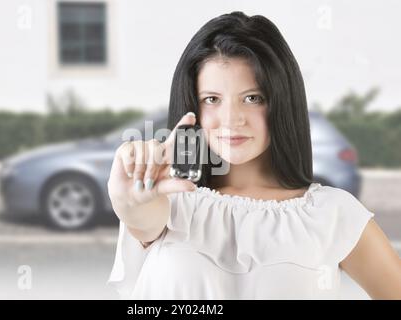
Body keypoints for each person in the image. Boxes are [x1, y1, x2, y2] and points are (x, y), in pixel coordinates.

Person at [106, 11, 401, 299]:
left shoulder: (332, 214)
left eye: (252, 98)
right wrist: (128, 199)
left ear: (282, 102)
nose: (232, 118)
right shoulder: (172, 200)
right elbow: (142, 218)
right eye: (212, 99)